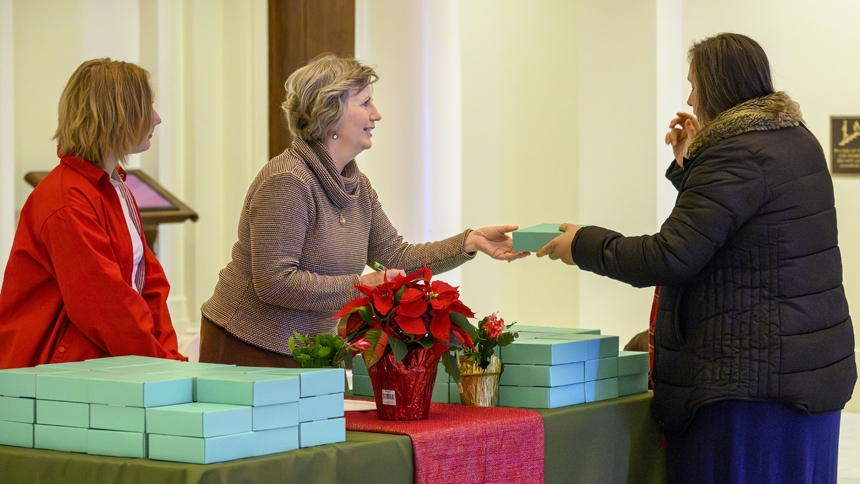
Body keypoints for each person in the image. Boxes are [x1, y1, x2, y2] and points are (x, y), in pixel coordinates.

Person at [537, 33, 856, 483]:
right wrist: (690, 166)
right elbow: (735, 231)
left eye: (695, 84)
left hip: (746, 390)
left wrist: (583, 243)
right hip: (800, 376)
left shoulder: (736, 153)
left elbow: (671, 255)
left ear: (719, 85)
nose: (689, 97)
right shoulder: (793, 140)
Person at [200, 54, 527, 368]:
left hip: (309, 349)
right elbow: (275, 283)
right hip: (248, 345)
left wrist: (470, 242)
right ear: (330, 113)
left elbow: (395, 259)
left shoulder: (358, 186)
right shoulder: (288, 181)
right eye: (365, 103)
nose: (377, 114)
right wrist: (363, 284)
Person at [0, 59, 184, 369]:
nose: (157, 118)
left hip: (100, 363)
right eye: (147, 106)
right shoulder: (66, 199)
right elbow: (105, 306)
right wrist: (162, 366)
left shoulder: (114, 185)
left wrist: (170, 358)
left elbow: (149, 282)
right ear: (118, 115)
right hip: (54, 374)